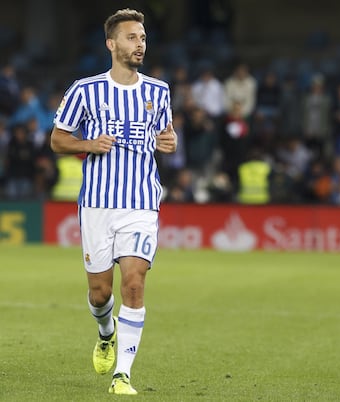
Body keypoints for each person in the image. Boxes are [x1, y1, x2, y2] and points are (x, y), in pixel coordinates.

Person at [50, 8, 177, 396]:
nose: (139, 44)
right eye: (130, 38)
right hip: (97, 206)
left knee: (134, 284)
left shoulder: (159, 91)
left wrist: (169, 142)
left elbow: (167, 136)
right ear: (111, 44)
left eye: (142, 38)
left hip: (140, 203)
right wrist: (88, 144)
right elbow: (58, 140)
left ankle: (123, 374)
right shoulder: (85, 90)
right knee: (100, 293)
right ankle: (106, 333)